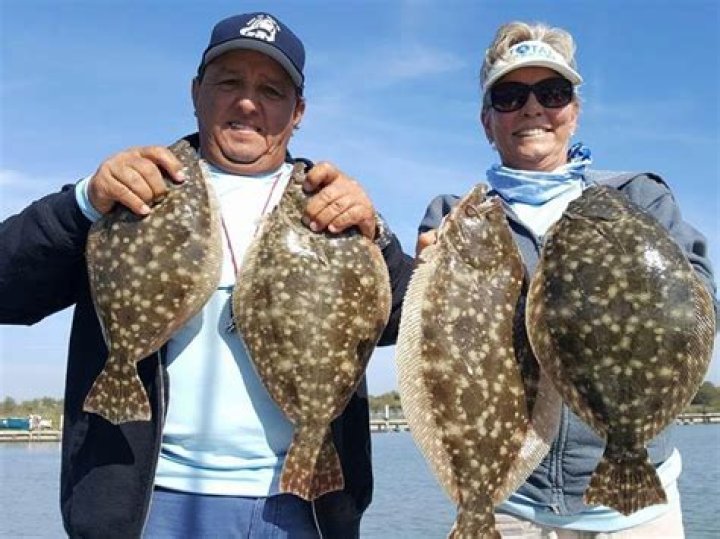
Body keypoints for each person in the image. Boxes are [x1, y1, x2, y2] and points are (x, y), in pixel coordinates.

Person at [0, 12, 413, 539]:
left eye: (271, 90)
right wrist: (80, 204)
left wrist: (379, 239)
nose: (248, 103)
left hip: (305, 502)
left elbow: (411, 324)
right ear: (196, 92)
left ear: (298, 112)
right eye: (228, 82)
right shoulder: (133, 192)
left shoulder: (332, 204)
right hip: (150, 506)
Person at [416, 21, 718, 539]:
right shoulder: (458, 216)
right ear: (487, 121)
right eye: (510, 96)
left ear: (574, 113)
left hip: (641, 506)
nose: (532, 108)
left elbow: (699, 300)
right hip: (511, 499)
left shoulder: (638, 197)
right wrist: (427, 273)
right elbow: (432, 348)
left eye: (552, 93)